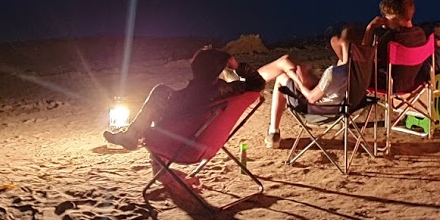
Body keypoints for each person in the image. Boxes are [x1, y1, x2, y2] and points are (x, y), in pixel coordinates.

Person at [104, 47, 302, 150]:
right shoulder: (227, 91)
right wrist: (237, 66)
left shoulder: (183, 97)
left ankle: (131, 135)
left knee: (160, 91)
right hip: (208, 143)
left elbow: (166, 122)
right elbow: (257, 83)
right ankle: (131, 135)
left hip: (174, 144)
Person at [265, 24, 357, 147]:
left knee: (281, 76)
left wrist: (296, 80)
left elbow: (311, 98)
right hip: (339, 107)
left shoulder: (333, 72)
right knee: (287, 63)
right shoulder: (357, 70)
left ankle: (273, 132)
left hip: (317, 111)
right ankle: (254, 78)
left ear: (341, 44)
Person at [361, 0, 427, 89]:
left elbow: (364, 58)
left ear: (399, 17)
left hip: (388, 84)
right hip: (409, 83)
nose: (384, 18)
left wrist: (369, 29)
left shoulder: (392, 40)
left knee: (351, 70)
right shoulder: (420, 34)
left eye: (387, 15)